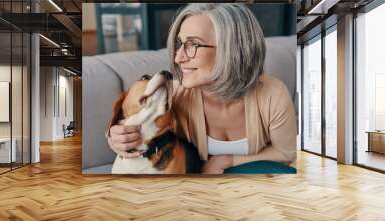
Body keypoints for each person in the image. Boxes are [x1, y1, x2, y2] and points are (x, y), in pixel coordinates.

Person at [107, 3, 296, 174]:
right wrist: (114, 138)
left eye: (193, 44)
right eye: (180, 44)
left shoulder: (273, 93)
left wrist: (226, 160)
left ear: (231, 49)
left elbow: (285, 152)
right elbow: (133, 113)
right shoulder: (173, 96)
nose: (178, 58)